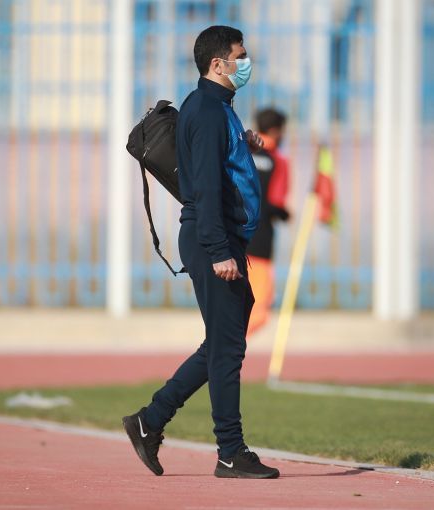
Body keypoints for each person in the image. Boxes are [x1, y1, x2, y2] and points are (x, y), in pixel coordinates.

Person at [122, 25, 280, 480]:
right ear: (218, 63)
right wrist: (218, 250)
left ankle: (150, 421)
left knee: (221, 344)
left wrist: (243, 143)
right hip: (213, 240)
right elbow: (206, 187)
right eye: (240, 56)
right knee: (227, 349)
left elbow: (216, 166)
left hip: (219, 238)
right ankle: (230, 452)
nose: (245, 63)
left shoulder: (217, 108)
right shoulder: (209, 110)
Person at [246, 108, 291, 336]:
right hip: (260, 242)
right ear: (275, 131)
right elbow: (275, 202)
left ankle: (221, 348)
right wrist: (285, 214)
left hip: (229, 241)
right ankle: (221, 350)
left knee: (232, 306)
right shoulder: (278, 161)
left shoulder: (241, 152)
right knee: (259, 311)